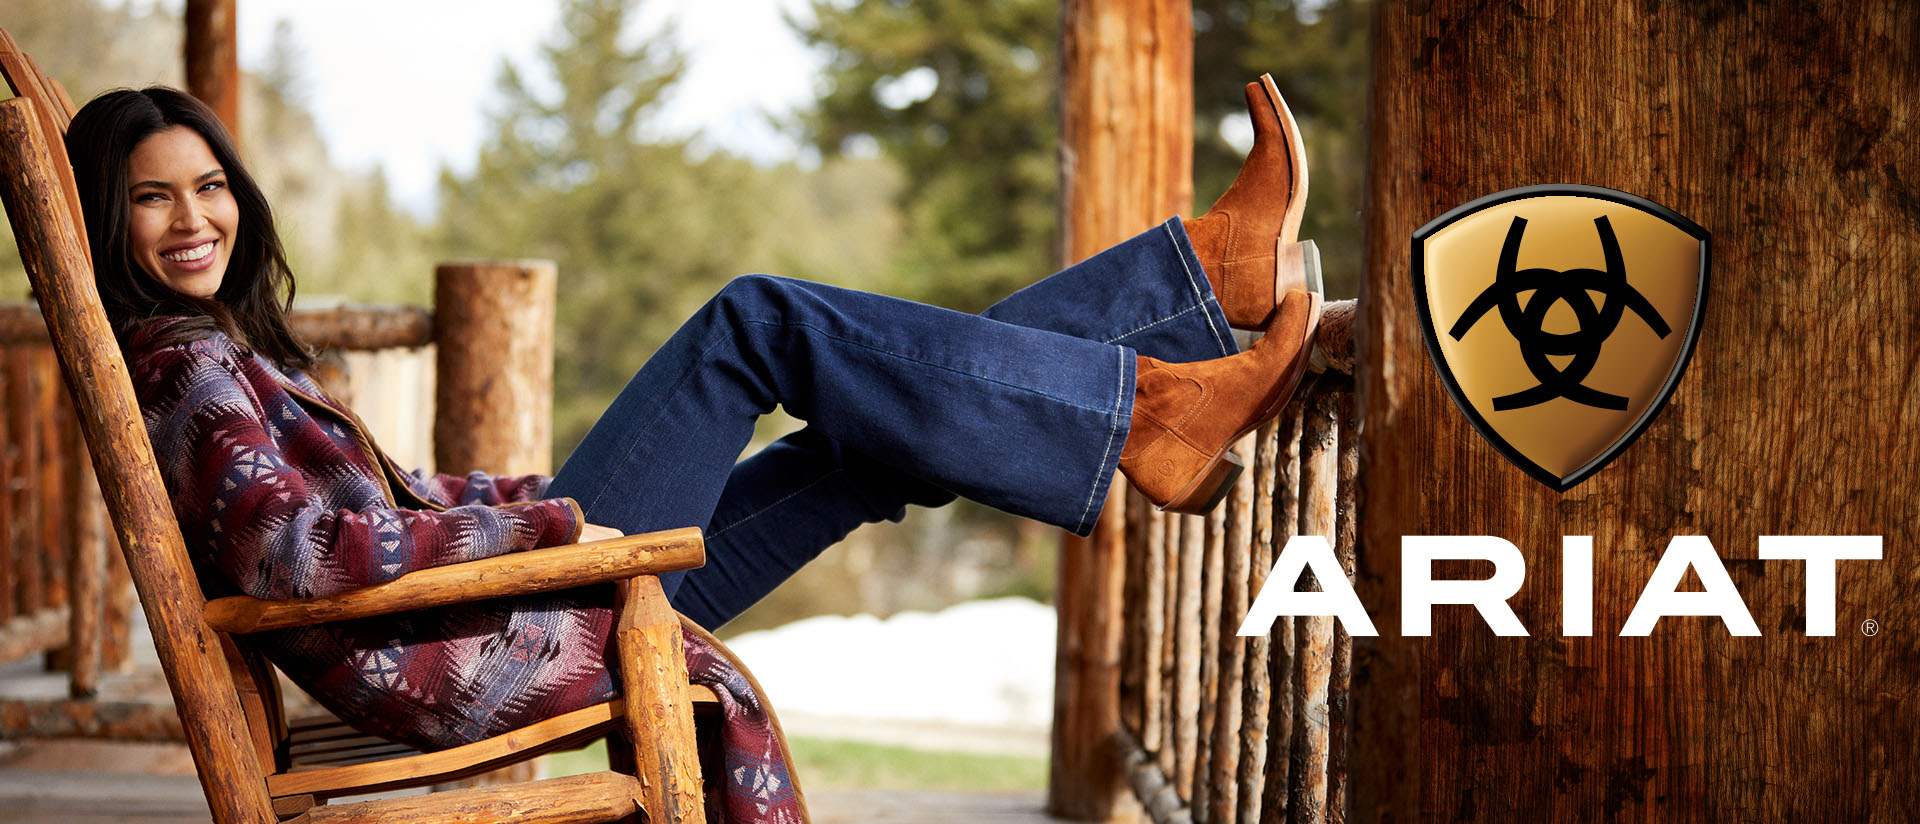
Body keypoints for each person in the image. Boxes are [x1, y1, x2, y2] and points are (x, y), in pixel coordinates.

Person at [63, 77, 1321, 753]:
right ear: (103, 223)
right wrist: (547, 526)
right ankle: (1180, 325)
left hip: (478, 625)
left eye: (210, 185)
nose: (194, 220)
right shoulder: (186, 373)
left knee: (870, 436)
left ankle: (1190, 315)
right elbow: (302, 555)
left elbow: (375, 512)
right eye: (152, 199)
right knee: (759, 319)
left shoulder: (218, 355)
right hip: (484, 641)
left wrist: (500, 503)